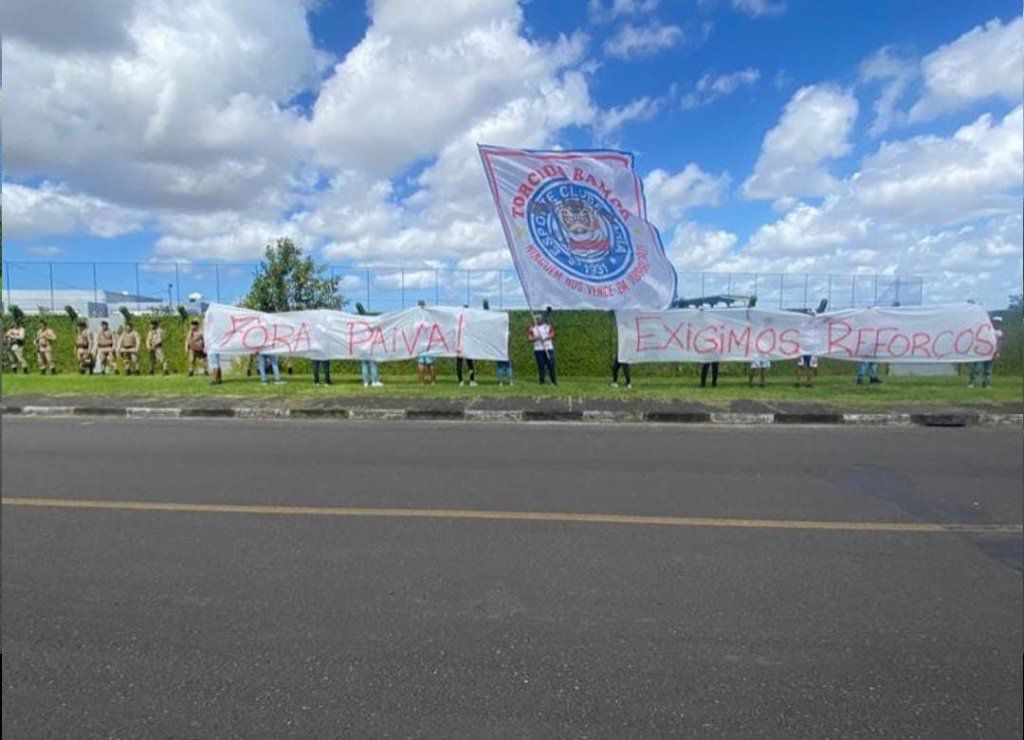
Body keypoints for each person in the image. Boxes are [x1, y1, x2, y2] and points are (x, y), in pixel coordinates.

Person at [968, 316, 1003, 388]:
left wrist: (997, 352)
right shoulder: (987, 329)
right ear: (992, 322)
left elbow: (999, 342)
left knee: (988, 369)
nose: (997, 323)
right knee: (976, 367)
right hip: (980, 351)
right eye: (996, 321)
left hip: (991, 352)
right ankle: (972, 382)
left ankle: (986, 383)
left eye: (998, 322)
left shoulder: (999, 332)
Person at [526, 313, 556, 385]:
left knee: (551, 365)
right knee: (541, 365)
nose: (538, 319)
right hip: (538, 349)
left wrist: (545, 338)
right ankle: (542, 381)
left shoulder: (548, 326)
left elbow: (552, 334)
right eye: (537, 318)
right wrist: (536, 338)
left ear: (542, 319)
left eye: (539, 318)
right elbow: (529, 338)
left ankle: (553, 381)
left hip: (548, 348)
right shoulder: (532, 328)